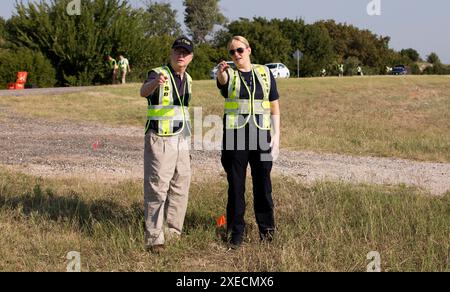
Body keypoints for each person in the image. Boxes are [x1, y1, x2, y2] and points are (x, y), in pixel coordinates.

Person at [216, 36, 280, 249]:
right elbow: (222, 83)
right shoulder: (229, 74)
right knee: (236, 187)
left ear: (249, 50)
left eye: (240, 50)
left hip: (262, 136)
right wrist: (221, 73)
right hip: (235, 137)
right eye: (232, 52)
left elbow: (274, 106)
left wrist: (277, 138)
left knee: (263, 185)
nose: (236, 55)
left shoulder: (264, 72)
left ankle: (267, 234)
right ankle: (235, 235)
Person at [140, 36, 194, 253]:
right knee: (157, 188)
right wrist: (155, 84)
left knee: (181, 187)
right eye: (177, 51)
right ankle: (155, 238)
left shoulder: (188, 79)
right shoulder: (158, 73)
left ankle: (174, 232)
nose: (181, 55)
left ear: (191, 57)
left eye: (185, 52)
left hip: (182, 140)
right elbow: (143, 91)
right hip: (160, 139)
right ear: (171, 53)